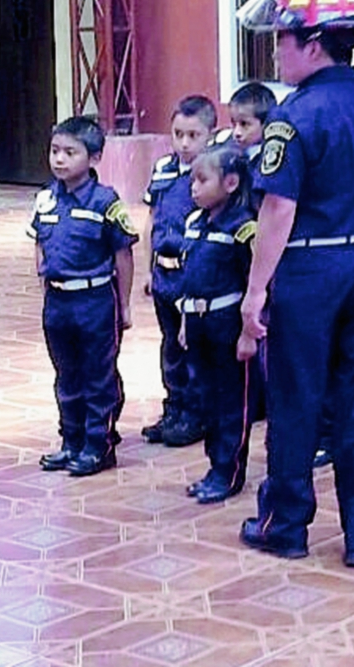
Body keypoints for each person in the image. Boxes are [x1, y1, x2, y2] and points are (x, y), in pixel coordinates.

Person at [234, 0, 354, 568]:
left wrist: (255, 292)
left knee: (296, 399)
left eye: (282, 41)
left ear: (312, 44)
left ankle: (284, 524)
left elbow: (278, 209)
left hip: (309, 273)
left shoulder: (295, 117)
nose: (277, 53)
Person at [28, 116, 137, 477]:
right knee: (66, 374)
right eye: (55, 151)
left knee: (98, 375)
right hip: (58, 303)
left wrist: (123, 305)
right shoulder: (45, 199)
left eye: (70, 152)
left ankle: (98, 445)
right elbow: (40, 245)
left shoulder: (106, 202)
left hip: (95, 302)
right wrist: (44, 284)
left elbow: (123, 255)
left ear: (93, 157)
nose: (59, 159)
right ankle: (71, 440)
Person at [179, 144, 258, 503]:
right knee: (206, 397)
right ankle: (214, 464)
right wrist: (185, 320)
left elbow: (254, 283)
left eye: (201, 180)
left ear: (229, 183)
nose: (193, 187)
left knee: (232, 399)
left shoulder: (243, 227)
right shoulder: (195, 223)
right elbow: (189, 276)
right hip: (198, 321)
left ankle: (229, 471)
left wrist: (247, 333)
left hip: (228, 322)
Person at [140, 96, 214, 447]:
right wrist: (147, 270)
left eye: (193, 135)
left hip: (194, 274)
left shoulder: (212, 174)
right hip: (164, 275)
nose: (184, 143)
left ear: (210, 135)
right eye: (178, 134)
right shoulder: (163, 169)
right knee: (170, 344)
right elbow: (151, 221)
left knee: (193, 345)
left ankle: (196, 413)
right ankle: (174, 407)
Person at [220, 81, 278, 171]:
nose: (236, 132)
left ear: (266, 123)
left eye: (244, 124)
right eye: (233, 124)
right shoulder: (227, 155)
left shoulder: (271, 160)